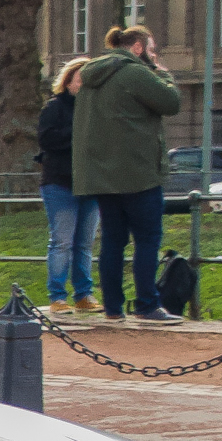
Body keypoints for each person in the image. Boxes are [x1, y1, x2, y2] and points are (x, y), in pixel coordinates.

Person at [71, 24, 185, 324]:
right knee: (147, 239)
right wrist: (162, 72)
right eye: (151, 50)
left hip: (103, 176)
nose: (153, 55)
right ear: (137, 47)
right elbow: (171, 103)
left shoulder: (91, 77)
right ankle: (147, 305)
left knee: (112, 241)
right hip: (138, 173)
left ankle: (112, 307)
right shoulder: (135, 72)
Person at [35, 57, 98, 317]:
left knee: (85, 243)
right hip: (60, 183)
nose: (83, 84)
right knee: (61, 241)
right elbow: (46, 139)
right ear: (68, 80)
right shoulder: (54, 108)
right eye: (80, 78)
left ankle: (84, 294)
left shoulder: (97, 110)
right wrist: (77, 132)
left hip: (91, 184)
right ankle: (58, 296)